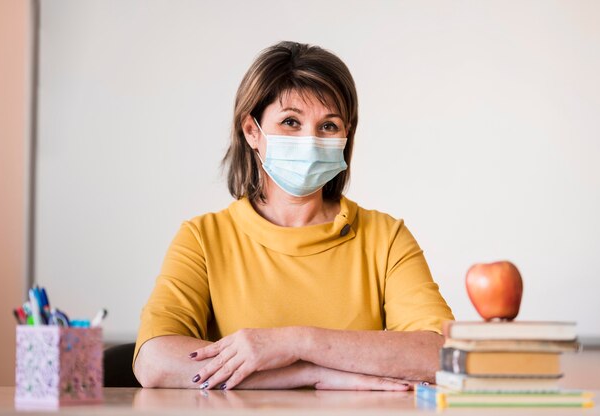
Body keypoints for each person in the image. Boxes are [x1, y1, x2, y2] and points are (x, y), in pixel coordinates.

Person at [133, 41, 454, 391]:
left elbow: (440, 355)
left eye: (328, 126)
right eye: (290, 122)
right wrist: (310, 373)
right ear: (252, 131)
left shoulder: (385, 237)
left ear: (347, 134)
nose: (311, 141)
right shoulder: (203, 238)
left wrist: (298, 342)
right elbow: (155, 361)